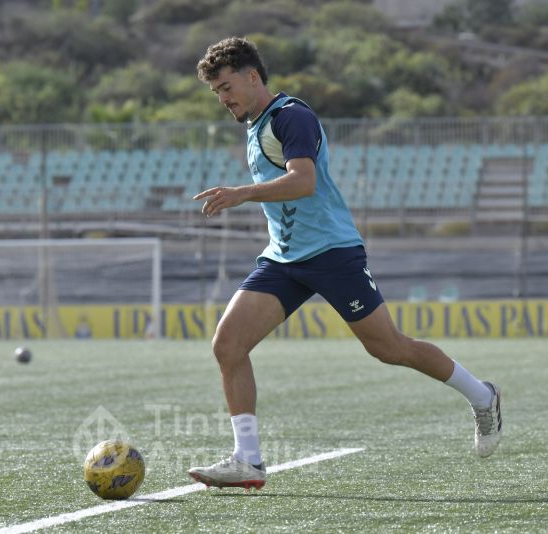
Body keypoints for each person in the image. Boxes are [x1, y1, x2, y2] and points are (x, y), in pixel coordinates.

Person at [187, 37, 502, 490]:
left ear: (252, 76)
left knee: (389, 348)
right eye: (215, 92)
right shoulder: (255, 127)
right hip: (284, 258)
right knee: (227, 344)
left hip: (332, 254)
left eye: (226, 86)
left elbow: (304, 182)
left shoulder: (291, 116)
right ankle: (248, 460)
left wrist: (242, 193)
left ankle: (482, 395)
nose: (222, 98)